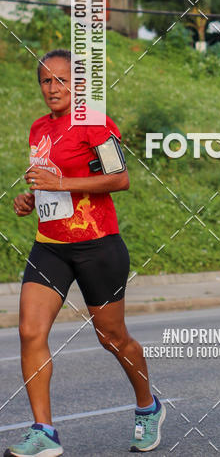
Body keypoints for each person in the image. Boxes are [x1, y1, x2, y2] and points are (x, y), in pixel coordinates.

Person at [6, 49, 165, 457]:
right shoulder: (38, 129)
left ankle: (148, 407)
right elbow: (51, 183)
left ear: (79, 87)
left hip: (98, 246)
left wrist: (60, 185)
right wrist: (32, 198)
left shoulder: (94, 123)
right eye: (46, 80)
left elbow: (120, 178)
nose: (52, 88)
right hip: (51, 247)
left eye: (62, 80)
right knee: (29, 332)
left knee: (111, 337)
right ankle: (44, 432)